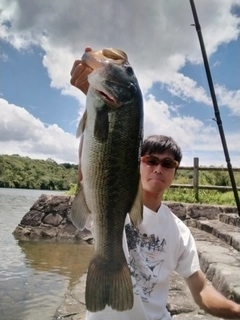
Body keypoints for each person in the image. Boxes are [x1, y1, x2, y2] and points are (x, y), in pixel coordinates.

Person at [70, 47, 240, 320]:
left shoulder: (180, 233)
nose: (158, 168)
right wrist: (92, 101)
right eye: (150, 160)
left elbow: (201, 289)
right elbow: (91, 171)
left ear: (175, 172)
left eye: (168, 164)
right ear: (136, 162)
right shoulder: (112, 207)